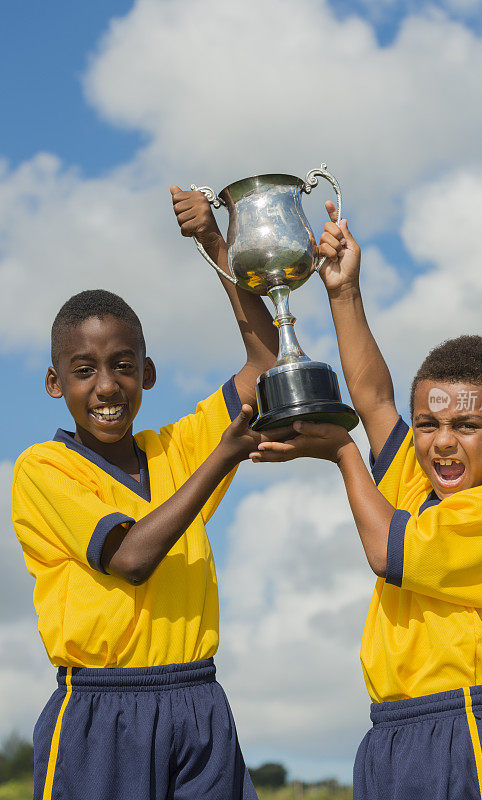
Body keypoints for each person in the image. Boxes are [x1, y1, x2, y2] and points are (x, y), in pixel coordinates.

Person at [252, 202, 482, 800]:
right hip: (386, 733)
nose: (442, 443)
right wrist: (344, 291)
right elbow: (376, 399)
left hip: (458, 728)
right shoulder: (417, 481)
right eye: (429, 424)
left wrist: (342, 453)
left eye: (466, 426)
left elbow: (387, 551)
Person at [11, 187, 283, 800]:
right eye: (84, 370)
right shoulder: (42, 469)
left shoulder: (174, 451)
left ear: (148, 373)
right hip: (102, 714)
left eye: (123, 365)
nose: (107, 386)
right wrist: (224, 455)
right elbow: (130, 558)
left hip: (199, 701)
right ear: (56, 383)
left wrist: (217, 245)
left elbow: (267, 360)